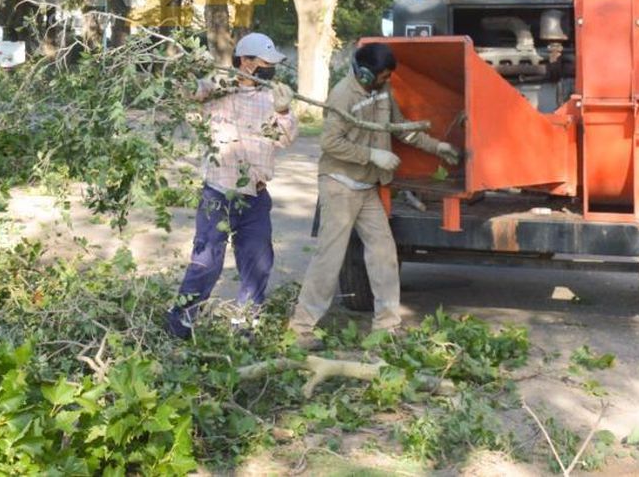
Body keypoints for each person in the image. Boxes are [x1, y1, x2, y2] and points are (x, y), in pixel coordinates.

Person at [289, 43, 460, 344]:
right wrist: (372, 155)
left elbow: (399, 129)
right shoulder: (343, 96)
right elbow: (330, 143)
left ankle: (386, 326)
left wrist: (437, 147)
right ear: (365, 74)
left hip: (367, 187)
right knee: (329, 258)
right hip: (340, 184)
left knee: (384, 254)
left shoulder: (383, 90)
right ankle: (300, 328)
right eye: (382, 76)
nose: (387, 80)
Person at [165, 32, 298, 340]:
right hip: (219, 194)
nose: (270, 69)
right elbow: (189, 92)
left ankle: (245, 324)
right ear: (245, 63)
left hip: (255, 197)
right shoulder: (220, 90)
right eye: (265, 63)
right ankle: (180, 325)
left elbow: (287, 138)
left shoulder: (273, 98)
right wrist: (185, 71)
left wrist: (283, 111)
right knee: (206, 262)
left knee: (259, 262)